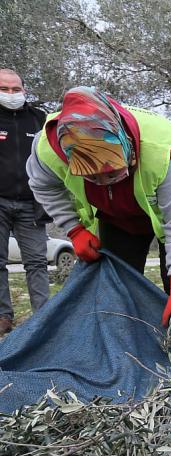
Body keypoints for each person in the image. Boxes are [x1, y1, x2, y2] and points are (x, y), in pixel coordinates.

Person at [26, 87, 171, 337]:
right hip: (117, 217)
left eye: (113, 174)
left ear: (128, 149)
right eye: (93, 178)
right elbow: (42, 186)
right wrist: (74, 229)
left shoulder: (159, 149)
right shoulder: (48, 151)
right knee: (117, 288)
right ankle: (125, 350)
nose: (105, 183)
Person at [0, 69, 51, 335]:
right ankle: (3, 317)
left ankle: (43, 318)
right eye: (4, 89)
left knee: (37, 262)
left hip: (32, 202)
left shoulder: (39, 119)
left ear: (24, 90)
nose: (11, 94)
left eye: (15, 89)